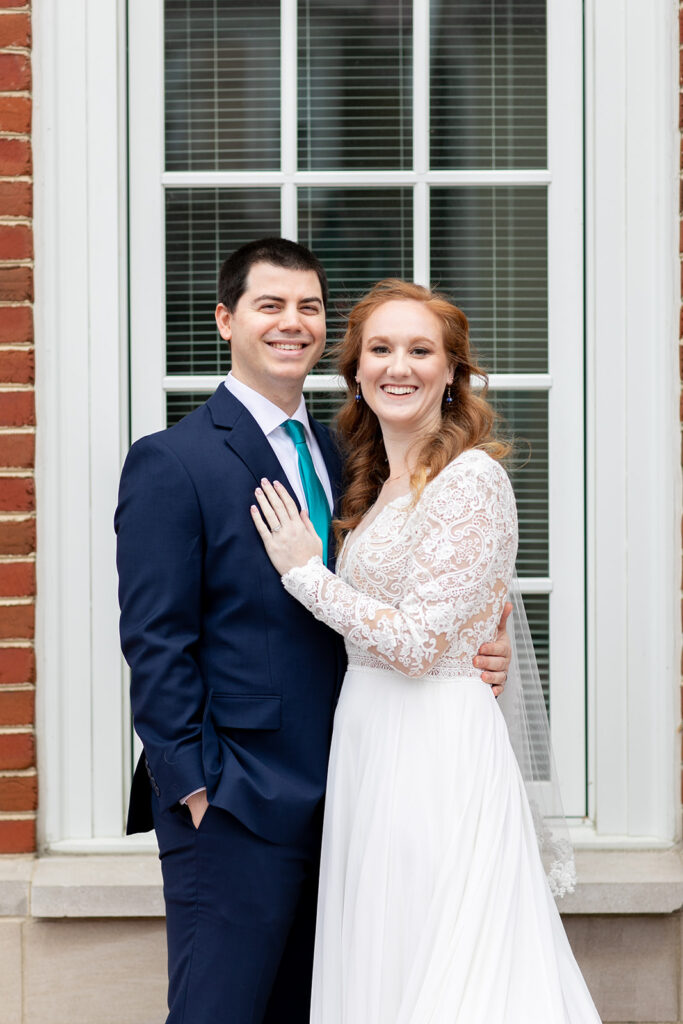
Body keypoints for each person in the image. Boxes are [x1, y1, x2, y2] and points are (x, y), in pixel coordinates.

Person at [115, 240, 512, 1024]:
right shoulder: (172, 462)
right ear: (226, 320)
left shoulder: (357, 456)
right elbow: (155, 641)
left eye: (309, 308)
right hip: (236, 801)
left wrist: (473, 651)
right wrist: (195, 787)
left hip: (360, 796)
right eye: (269, 305)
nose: (291, 323)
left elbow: (404, 601)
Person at [252, 279, 601, 1022]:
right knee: (385, 955)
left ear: (452, 372)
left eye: (420, 350)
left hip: (435, 750)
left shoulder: (471, 479)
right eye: (379, 349)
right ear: (354, 372)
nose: (398, 367)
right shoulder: (372, 484)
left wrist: (305, 575)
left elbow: (417, 645)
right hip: (370, 742)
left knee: (448, 962)